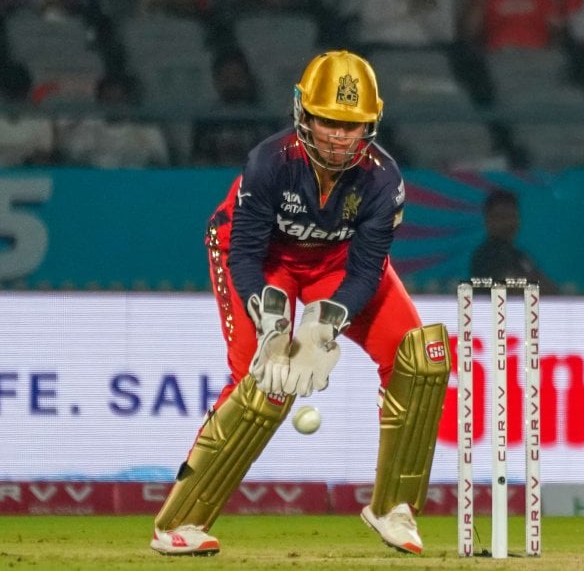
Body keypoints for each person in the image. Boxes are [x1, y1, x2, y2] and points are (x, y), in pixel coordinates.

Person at [150, 50, 450, 557]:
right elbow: (245, 253)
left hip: (337, 262)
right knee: (263, 381)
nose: (338, 137)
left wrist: (326, 324)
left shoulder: (383, 180)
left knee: (421, 358)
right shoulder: (269, 162)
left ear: (370, 124)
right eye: (328, 121)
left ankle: (394, 506)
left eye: (351, 125)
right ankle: (180, 522)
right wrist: (271, 321)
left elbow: (367, 270)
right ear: (303, 113)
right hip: (262, 259)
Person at [469, 188, 558, 293]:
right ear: (488, 220)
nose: (509, 223)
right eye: (502, 217)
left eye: (513, 216)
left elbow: (550, 288)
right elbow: (509, 286)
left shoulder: (520, 256)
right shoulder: (485, 255)